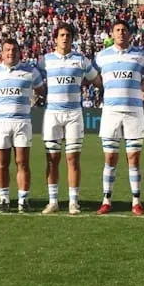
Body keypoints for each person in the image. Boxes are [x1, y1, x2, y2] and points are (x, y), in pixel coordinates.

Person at [93, 20, 144, 215]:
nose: (121, 33)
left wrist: (140, 88)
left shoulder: (142, 55)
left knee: (133, 158)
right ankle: (106, 200)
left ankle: (136, 201)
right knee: (110, 157)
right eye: (117, 30)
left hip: (134, 112)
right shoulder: (101, 57)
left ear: (129, 34)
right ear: (112, 34)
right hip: (110, 112)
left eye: (124, 30)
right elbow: (94, 78)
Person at [38, 23, 98, 215]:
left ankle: (73, 202)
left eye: (68, 35)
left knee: (73, 158)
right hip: (52, 114)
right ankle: (53, 201)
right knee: (52, 159)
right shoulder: (45, 61)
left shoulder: (81, 60)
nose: (65, 38)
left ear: (72, 39)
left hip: (74, 114)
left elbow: (96, 79)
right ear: (55, 38)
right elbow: (35, 80)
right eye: (61, 35)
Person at [0, 38, 45, 213]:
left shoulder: (30, 72)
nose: (11, 53)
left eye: (14, 50)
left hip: (22, 122)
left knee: (22, 162)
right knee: (1, 163)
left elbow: (42, 91)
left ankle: (23, 200)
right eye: (7, 50)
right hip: (1, 122)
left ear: (20, 53)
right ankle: (3, 200)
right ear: (2, 53)